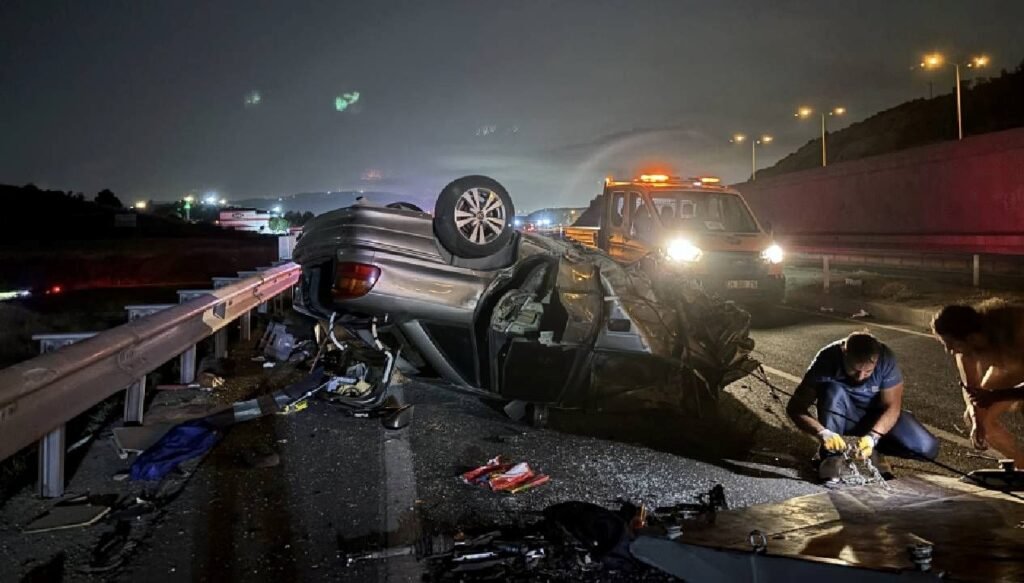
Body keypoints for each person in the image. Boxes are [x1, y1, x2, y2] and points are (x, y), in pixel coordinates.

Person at [786, 331, 939, 481]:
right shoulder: (827, 359)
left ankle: (875, 450)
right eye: (855, 370)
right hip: (841, 415)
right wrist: (822, 433)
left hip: (874, 417)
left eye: (868, 372)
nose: (860, 377)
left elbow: (893, 407)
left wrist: (873, 437)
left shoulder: (886, 358)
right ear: (844, 353)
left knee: (927, 448)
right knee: (832, 389)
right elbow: (796, 408)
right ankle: (831, 457)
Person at [931, 300, 1024, 466]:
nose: (950, 351)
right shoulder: (965, 346)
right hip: (1009, 366)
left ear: (973, 338)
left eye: (951, 345)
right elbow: (972, 390)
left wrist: (999, 395)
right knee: (981, 419)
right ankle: (1021, 465)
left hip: (1017, 357)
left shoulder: (1017, 331)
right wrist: (977, 422)